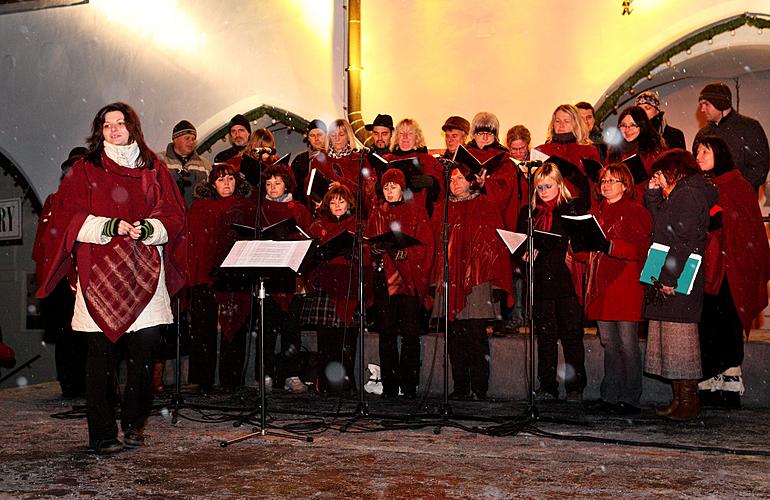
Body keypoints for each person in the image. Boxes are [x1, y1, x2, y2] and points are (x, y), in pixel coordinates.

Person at [34, 102, 186, 454]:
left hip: (145, 269)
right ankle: (101, 434)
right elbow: (67, 216)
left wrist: (152, 227)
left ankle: (133, 424)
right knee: (100, 357)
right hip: (99, 271)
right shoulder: (85, 170)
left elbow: (175, 216)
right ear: (99, 131)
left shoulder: (154, 169)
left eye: (120, 123)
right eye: (106, 125)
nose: (114, 129)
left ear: (133, 127)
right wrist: (109, 225)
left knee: (145, 352)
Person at [693, 135, 770, 409]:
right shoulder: (697, 185)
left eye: (705, 151)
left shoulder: (738, 185)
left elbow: (748, 229)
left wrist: (720, 223)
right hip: (705, 269)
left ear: (720, 154)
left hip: (731, 269)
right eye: (697, 151)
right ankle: (708, 382)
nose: (699, 156)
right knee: (706, 326)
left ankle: (728, 383)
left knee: (727, 324)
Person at [644, 149, 718, 421]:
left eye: (661, 173)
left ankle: (688, 402)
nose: (658, 178)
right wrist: (653, 195)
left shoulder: (688, 194)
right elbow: (662, 225)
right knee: (669, 337)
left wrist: (670, 278)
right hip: (665, 265)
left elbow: (683, 239)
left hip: (677, 270)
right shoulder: (679, 193)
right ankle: (679, 400)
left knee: (681, 339)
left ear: (675, 170)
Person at [431, 164, 513, 400]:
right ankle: (459, 387)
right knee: (454, 335)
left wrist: (496, 284)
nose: (454, 183)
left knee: (476, 335)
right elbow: (437, 247)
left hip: (478, 280)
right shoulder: (442, 209)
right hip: (450, 279)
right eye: (451, 179)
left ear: (471, 181)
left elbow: (496, 247)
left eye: (459, 178)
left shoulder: (485, 206)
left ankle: (479, 387)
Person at [516, 162, 590, 401]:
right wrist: (523, 253)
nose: (544, 191)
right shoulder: (529, 213)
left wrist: (555, 242)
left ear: (559, 185)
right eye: (539, 187)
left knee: (571, 335)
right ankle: (547, 385)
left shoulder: (571, 209)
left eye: (548, 185)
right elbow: (520, 244)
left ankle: (575, 387)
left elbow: (579, 242)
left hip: (566, 280)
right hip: (540, 280)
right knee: (545, 337)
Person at [583, 164, 652, 415]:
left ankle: (631, 397)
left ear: (625, 186)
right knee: (609, 343)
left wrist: (610, 246)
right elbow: (587, 252)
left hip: (625, 284)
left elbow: (639, 250)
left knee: (627, 343)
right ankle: (610, 395)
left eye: (613, 180)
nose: (606, 184)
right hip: (602, 285)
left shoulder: (635, 211)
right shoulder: (596, 212)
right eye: (603, 180)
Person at [186, 163, 256, 394]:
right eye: (221, 179)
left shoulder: (246, 206)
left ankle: (231, 380)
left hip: (235, 273)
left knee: (235, 327)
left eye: (230, 179)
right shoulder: (200, 207)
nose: (227, 184)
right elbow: (196, 242)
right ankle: (203, 380)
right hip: (205, 274)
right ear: (212, 184)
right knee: (202, 328)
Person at [367, 169, 434, 398]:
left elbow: (427, 246)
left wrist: (408, 255)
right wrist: (374, 250)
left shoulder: (415, 211)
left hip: (408, 281)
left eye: (393, 186)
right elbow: (369, 244)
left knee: (409, 333)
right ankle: (389, 385)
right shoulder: (377, 213)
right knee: (385, 334)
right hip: (383, 280)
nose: (389, 191)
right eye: (385, 187)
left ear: (402, 188)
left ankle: (408, 385)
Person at [33, 147, 89, 398]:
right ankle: (70, 385)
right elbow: (44, 243)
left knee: (89, 334)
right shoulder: (54, 201)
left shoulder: (97, 199)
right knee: (67, 333)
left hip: (87, 274)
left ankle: (90, 385)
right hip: (62, 276)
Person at [300, 185, 368, 392]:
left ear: (349, 204)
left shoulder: (358, 226)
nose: (337, 206)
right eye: (332, 202)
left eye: (341, 201)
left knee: (346, 339)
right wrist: (318, 256)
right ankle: (326, 384)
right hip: (325, 286)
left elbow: (367, 256)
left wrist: (354, 254)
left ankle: (345, 384)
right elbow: (307, 257)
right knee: (326, 340)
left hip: (347, 286)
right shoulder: (317, 226)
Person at [259, 163, 314, 394]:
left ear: (286, 185)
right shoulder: (259, 209)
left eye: (277, 183)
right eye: (269, 184)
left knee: (292, 331)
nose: (272, 188)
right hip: (268, 277)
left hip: (293, 277)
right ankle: (266, 375)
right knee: (267, 330)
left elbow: (308, 238)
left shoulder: (298, 208)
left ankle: (292, 374)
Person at [693, 83, 769, 191]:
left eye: (706, 104)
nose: (702, 109)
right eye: (701, 105)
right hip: (710, 202)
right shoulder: (703, 134)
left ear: (721, 103)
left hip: (742, 201)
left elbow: (760, 169)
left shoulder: (750, 128)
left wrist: (735, 189)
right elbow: (696, 169)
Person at [308, 119, 377, 215]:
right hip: (327, 214)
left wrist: (342, 187)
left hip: (353, 214)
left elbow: (367, 193)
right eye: (333, 135)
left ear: (348, 136)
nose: (337, 139)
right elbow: (309, 189)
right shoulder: (319, 160)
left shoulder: (359, 160)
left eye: (341, 135)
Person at [466, 112, 519, 230]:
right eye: (480, 133)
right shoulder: (464, 156)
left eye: (489, 133)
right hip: (467, 216)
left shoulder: (505, 160)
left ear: (495, 136)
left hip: (494, 219)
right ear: (473, 135)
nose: (485, 137)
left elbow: (507, 191)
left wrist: (486, 185)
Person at [384, 118, 443, 216]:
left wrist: (433, 183)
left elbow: (443, 191)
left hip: (418, 216)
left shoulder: (428, 160)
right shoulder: (387, 159)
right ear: (396, 138)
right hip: (391, 215)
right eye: (401, 133)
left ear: (417, 137)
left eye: (410, 133)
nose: (405, 137)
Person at [606, 106, 667, 198]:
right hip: (619, 201)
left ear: (642, 126)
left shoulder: (654, 149)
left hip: (647, 201)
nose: (627, 129)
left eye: (633, 125)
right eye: (623, 125)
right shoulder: (614, 151)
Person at [535, 104, 601, 182]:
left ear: (576, 124)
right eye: (557, 121)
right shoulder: (542, 150)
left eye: (567, 121)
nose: (561, 125)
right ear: (553, 124)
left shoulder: (588, 150)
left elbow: (596, 184)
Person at [157, 120, 212, 207]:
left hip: (196, 215)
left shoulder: (205, 164)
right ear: (175, 139)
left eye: (193, 139)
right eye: (187, 138)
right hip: (168, 214)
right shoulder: (159, 160)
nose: (191, 142)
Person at [290, 119, 326, 206]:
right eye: (312, 135)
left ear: (326, 136)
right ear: (308, 138)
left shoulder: (333, 157)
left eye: (319, 135)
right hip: (305, 207)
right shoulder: (300, 160)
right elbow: (293, 187)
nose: (316, 138)